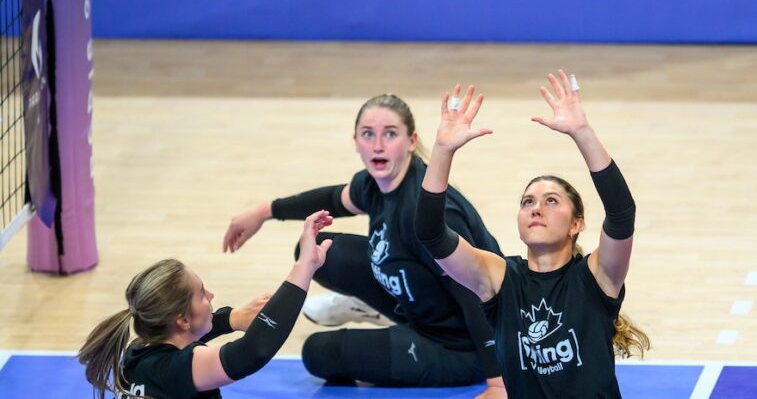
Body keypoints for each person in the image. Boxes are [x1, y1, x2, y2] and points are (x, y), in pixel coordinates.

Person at [223, 94, 506, 395]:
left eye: (390, 134)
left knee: (320, 353)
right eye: (368, 134)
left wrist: (499, 382)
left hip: (462, 347)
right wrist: (265, 211)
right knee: (320, 249)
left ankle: (406, 331)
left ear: (411, 142)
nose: (378, 145)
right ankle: (384, 308)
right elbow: (333, 199)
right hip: (423, 301)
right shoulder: (375, 184)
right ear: (356, 141)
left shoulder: (427, 214)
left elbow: (474, 294)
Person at [414, 72, 650, 398]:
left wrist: (582, 132)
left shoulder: (596, 278)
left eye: (551, 201)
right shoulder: (501, 280)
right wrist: (442, 150)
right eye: (528, 202)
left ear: (576, 224)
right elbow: (430, 234)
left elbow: (622, 214)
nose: (536, 209)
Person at [78, 211, 334, 399]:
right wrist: (305, 266)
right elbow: (252, 352)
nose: (211, 295)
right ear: (182, 320)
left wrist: (231, 319)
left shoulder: (137, 352)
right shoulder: (173, 371)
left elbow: (188, 338)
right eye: (201, 294)